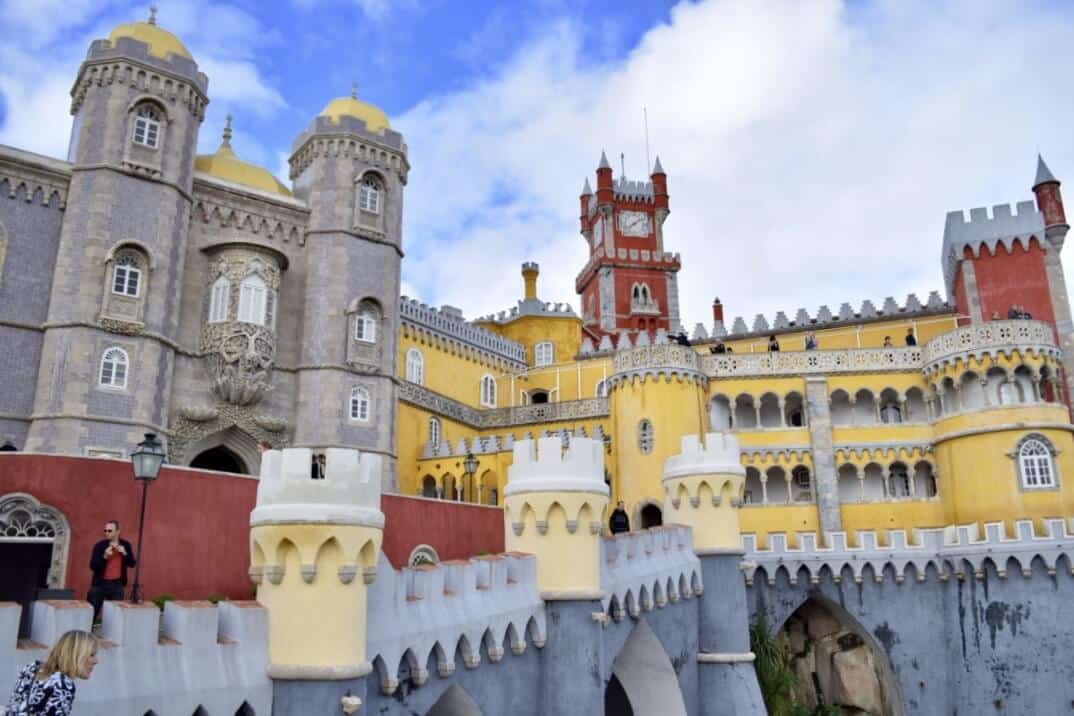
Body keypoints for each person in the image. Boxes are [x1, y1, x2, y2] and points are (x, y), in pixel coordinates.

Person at [6, 629, 98, 715]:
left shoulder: (33, 668)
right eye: (91, 655)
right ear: (76, 655)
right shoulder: (63, 683)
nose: (96, 661)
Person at [87, 521, 136, 623]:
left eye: (110, 530)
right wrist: (104, 556)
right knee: (91, 612)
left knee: (115, 616)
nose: (106, 532)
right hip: (99, 584)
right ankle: (86, 636)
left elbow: (132, 564)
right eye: (105, 530)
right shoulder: (100, 546)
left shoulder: (125, 545)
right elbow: (93, 566)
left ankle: (111, 638)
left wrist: (124, 553)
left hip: (117, 585)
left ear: (118, 531)